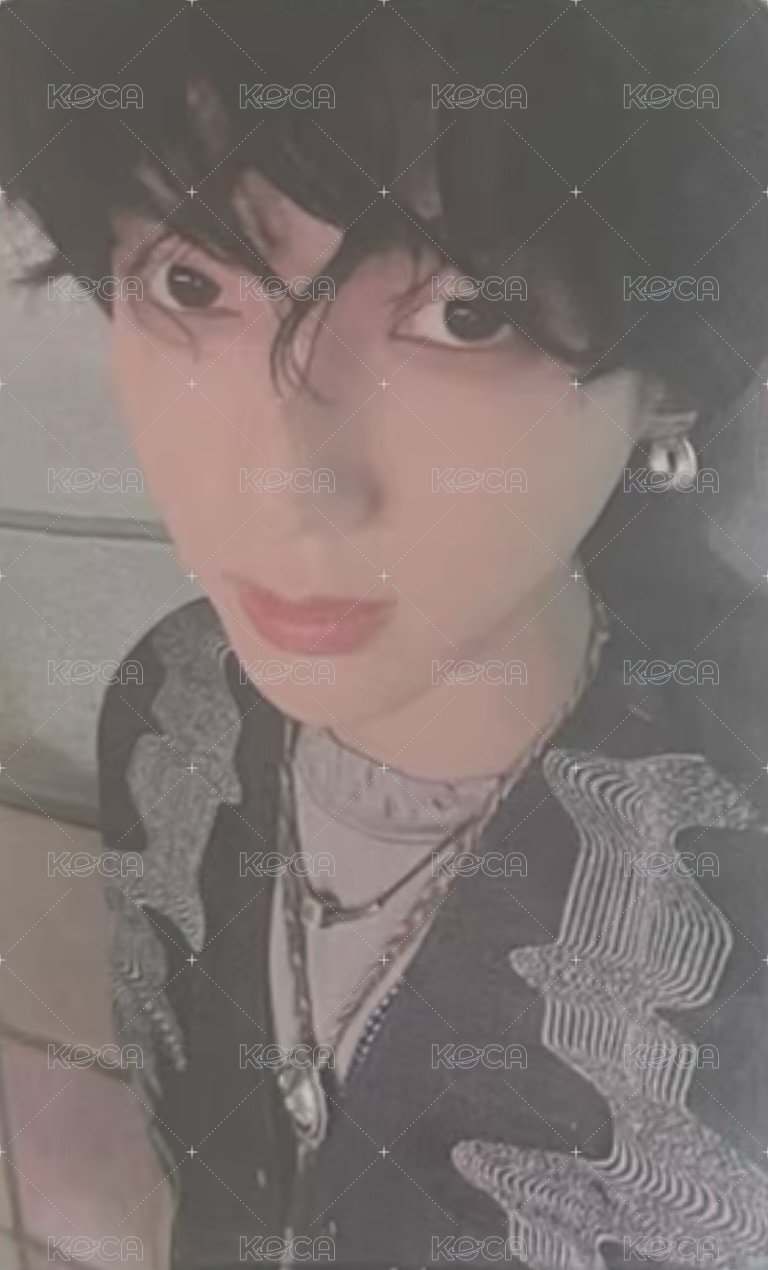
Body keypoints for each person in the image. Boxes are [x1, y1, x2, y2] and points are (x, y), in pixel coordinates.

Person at [3, 1, 768, 1266]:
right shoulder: (171, 708)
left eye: (468, 314)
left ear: (674, 375)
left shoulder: (728, 895)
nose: (287, 488)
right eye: (190, 282)